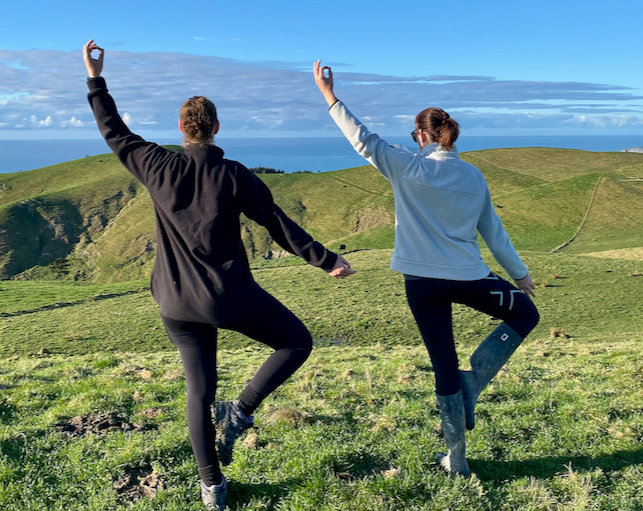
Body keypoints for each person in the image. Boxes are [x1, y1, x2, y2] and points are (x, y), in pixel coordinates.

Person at [83, 41, 355, 510]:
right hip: (230, 298)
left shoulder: (155, 164)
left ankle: (212, 487)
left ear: (182, 130)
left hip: (174, 302)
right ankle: (241, 411)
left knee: (198, 390)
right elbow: (276, 222)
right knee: (296, 343)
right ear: (216, 128)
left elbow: (114, 130)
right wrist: (326, 259)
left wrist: (95, 78)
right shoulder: (233, 175)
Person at [313, 60, 538, 477]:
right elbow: (495, 233)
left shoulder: (407, 165)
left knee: (444, 365)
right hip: (472, 277)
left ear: (421, 135)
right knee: (526, 313)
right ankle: (475, 383)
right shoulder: (473, 176)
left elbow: (362, 140)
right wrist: (520, 275)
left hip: (422, 283)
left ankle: (458, 459)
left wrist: (329, 95)